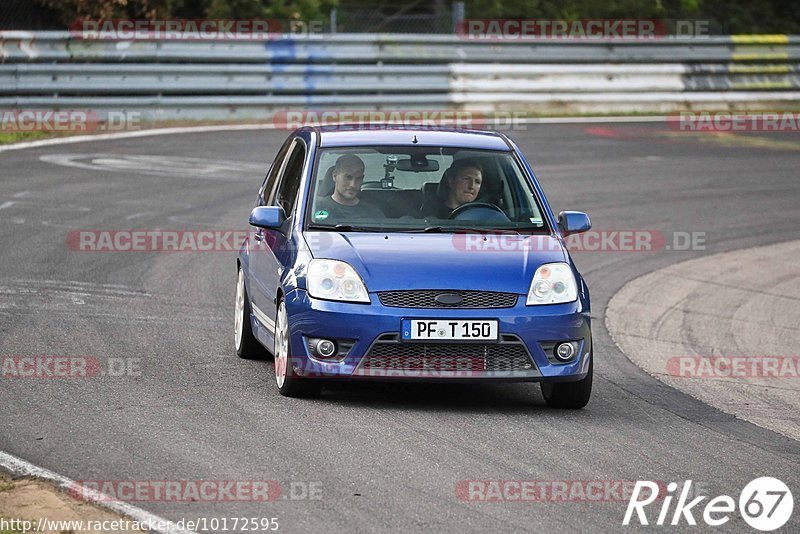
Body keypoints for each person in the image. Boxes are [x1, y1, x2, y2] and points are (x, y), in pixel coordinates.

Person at [313, 154, 384, 222]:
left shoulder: (373, 213)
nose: (353, 184)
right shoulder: (314, 208)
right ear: (334, 176)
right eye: (348, 177)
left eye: (358, 178)